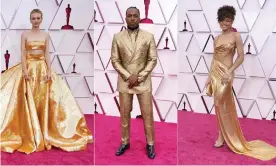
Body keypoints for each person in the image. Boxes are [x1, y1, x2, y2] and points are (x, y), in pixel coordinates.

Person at [0, 9, 93, 154]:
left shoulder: (45, 35)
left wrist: (49, 70)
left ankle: (44, 129)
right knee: (27, 99)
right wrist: (24, 71)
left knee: (44, 99)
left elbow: (47, 54)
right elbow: (23, 53)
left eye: (38, 18)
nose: (36, 21)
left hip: (42, 69)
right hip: (29, 69)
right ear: (30, 19)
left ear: (41, 19)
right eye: (33, 18)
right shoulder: (25, 35)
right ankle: (30, 130)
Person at [205, 5, 276, 161]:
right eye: (223, 20)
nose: (225, 23)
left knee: (221, 102)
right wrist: (209, 77)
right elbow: (214, 59)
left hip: (227, 73)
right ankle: (222, 134)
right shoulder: (217, 38)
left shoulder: (236, 36)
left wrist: (229, 71)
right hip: (216, 72)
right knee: (218, 105)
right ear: (219, 21)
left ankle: (223, 135)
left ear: (232, 21)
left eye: (228, 20)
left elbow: (241, 57)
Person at [111, 6, 157, 159]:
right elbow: (115, 60)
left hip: (143, 82)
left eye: (135, 16)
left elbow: (152, 59)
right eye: (129, 15)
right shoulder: (117, 37)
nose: (132, 18)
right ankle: (125, 142)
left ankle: (150, 143)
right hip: (125, 82)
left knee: (147, 114)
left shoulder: (148, 36)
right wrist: (128, 76)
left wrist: (139, 77)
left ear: (139, 17)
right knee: (124, 114)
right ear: (125, 18)